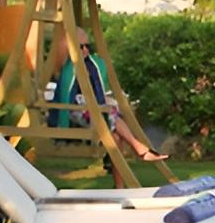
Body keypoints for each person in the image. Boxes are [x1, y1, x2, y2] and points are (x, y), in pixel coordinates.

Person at [53, 31, 167, 162]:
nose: (85, 50)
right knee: (111, 115)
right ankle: (139, 148)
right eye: (80, 47)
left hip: (93, 111)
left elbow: (100, 90)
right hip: (75, 112)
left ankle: (124, 170)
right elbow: (67, 96)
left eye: (88, 46)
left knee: (116, 137)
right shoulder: (68, 68)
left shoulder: (93, 65)